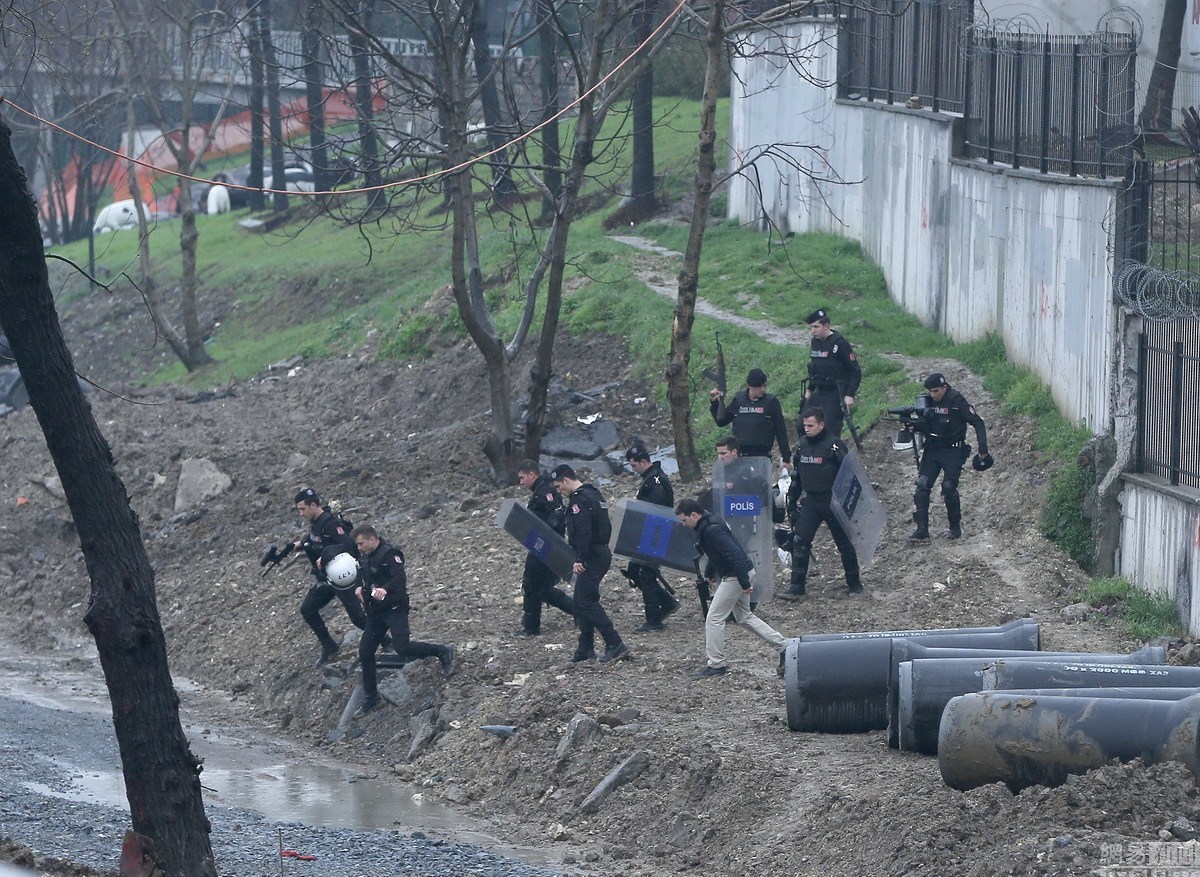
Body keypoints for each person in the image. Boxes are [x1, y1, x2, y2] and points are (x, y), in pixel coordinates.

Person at [675, 498, 787, 678]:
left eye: (684, 520)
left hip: (736, 576)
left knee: (714, 618)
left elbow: (735, 555)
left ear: (694, 515)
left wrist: (744, 583)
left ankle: (716, 664)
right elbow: (717, 552)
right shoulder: (711, 524)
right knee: (744, 617)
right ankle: (784, 646)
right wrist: (711, 571)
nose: (684, 524)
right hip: (740, 573)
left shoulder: (711, 530)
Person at [350, 525, 454, 718]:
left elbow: (399, 578)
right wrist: (358, 588)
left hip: (394, 608)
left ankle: (441, 651)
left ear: (372, 539)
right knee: (365, 651)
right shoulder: (364, 556)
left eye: (361, 543)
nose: (359, 548)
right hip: (376, 612)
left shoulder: (390, 555)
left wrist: (385, 589)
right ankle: (371, 698)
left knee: (402, 647)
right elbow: (360, 575)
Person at [549, 464, 630, 665]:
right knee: (578, 602)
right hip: (600, 552)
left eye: (559, 487)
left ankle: (615, 642)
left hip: (591, 555)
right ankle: (585, 647)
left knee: (586, 601)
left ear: (566, 480)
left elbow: (584, 532)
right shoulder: (594, 494)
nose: (560, 492)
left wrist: (580, 559)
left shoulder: (579, 500)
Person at [778, 409, 862, 599]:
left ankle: (854, 583)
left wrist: (849, 505)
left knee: (844, 544)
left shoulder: (834, 446)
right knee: (800, 541)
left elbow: (850, 476)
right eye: (805, 425)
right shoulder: (802, 446)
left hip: (833, 502)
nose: (806, 429)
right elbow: (797, 476)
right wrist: (791, 499)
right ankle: (797, 587)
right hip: (812, 501)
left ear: (821, 425)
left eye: (810, 426)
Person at [910, 373, 991, 541]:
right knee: (922, 486)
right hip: (932, 450)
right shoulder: (927, 401)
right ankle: (922, 530)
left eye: (936, 391)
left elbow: (978, 422)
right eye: (930, 392)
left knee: (948, 487)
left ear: (944, 387)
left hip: (953, 451)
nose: (933, 395)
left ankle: (955, 527)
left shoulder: (956, 401)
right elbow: (920, 423)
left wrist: (983, 448)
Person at [293, 488, 368, 666]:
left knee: (358, 617)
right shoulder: (316, 522)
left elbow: (348, 545)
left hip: (343, 576)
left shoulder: (330, 523)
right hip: (326, 578)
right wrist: (302, 543)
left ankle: (387, 641)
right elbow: (316, 538)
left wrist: (325, 555)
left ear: (313, 505)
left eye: (303, 509)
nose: (301, 513)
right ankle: (330, 647)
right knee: (308, 609)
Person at [514, 460, 576, 637]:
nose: (521, 482)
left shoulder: (545, 491)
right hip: (541, 544)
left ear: (532, 475)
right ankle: (580, 611)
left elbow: (557, 515)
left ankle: (531, 627)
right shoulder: (540, 491)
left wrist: (546, 536)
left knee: (532, 584)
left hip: (545, 546)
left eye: (522, 478)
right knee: (542, 589)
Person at [623, 444, 681, 632]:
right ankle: (666, 602)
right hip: (650, 531)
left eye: (634, 466)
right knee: (634, 569)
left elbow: (654, 509)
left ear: (643, 462)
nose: (633, 470)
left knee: (646, 574)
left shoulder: (655, 481)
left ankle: (654, 620)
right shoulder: (650, 479)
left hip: (657, 531)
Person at [710, 368, 792, 466]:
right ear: (750, 386)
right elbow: (722, 421)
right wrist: (715, 403)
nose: (762, 389)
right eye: (758, 387)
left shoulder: (771, 402)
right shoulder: (739, 400)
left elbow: (781, 431)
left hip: (762, 456)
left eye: (764, 386)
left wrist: (786, 458)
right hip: (740, 456)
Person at [802, 308, 862, 439]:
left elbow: (855, 371)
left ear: (826, 326)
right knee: (802, 423)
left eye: (816, 327)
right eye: (812, 327)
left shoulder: (839, 344)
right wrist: (810, 390)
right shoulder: (815, 343)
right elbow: (816, 369)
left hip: (835, 392)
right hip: (819, 390)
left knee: (830, 428)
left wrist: (849, 394)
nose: (813, 330)